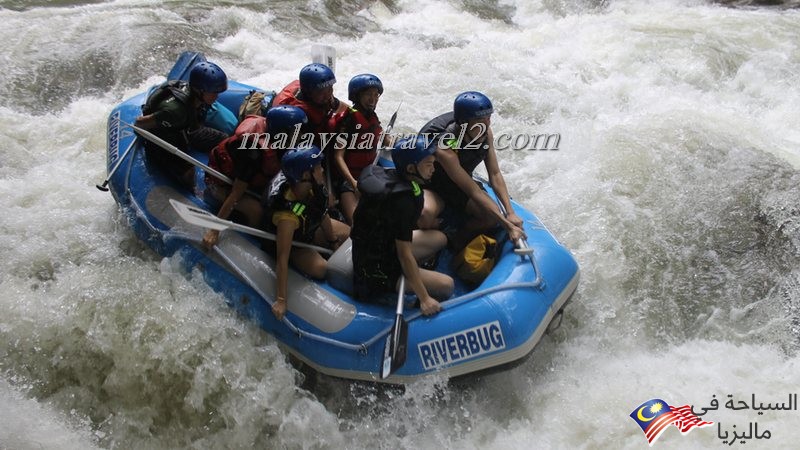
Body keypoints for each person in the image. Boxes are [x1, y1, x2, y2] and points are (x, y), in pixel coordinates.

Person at [351, 136, 454, 316]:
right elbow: (404, 254)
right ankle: (420, 310)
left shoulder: (396, 179)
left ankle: (416, 274)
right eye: (428, 164)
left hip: (385, 247)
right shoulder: (402, 202)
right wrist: (424, 298)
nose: (433, 169)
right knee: (447, 285)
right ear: (411, 168)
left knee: (440, 238)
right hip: (378, 270)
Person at [417, 91, 525, 250]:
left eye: (488, 118)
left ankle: (457, 239)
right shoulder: (445, 144)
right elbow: (472, 190)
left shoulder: (485, 132)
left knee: (489, 218)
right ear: (464, 123)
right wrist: (508, 226)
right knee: (425, 216)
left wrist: (510, 212)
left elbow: (494, 174)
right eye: (480, 120)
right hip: (434, 184)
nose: (486, 125)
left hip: (459, 182)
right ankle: (437, 236)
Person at [202, 105, 309, 247]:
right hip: (221, 185)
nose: (301, 136)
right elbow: (236, 193)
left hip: (255, 182)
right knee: (257, 211)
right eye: (296, 132)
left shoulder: (282, 144)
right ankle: (259, 243)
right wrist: (214, 230)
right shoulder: (253, 152)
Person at [264, 146, 350, 320]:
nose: (322, 169)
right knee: (320, 268)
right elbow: (282, 257)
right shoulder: (286, 217)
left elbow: (321, 211)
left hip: (309, 225)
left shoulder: (310, 186)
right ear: (305, 175)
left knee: (349, 234)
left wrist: (332, 241)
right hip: (295, 243)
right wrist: (281, 299)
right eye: (317, 167)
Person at [135, 61, 230, 188]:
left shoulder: (194, 94)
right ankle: (191, 193)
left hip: (187, 127)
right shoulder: (174, 112)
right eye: (214, 92)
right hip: (166, 134)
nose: (217, 96)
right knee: (188, 173)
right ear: (199, 90)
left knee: (225, 140)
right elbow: (139, 124)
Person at [330, 73, 390, 225]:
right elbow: (338, 156)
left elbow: (378, 132)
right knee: (356, 222)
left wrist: (386, 138)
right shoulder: (348, 121)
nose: (373, 99)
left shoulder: (372, 116)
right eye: (368, 94)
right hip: (348, 179)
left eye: (376, 95)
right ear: (357, 96)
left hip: (369, 173)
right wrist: (353, 183)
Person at [273, 63, 348, 146]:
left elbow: (340, 106)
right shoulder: (297, 113)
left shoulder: (323, 95)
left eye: (330, 89)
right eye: (321, 92)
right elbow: (298, 144)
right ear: (308, 92)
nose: (327, 95)